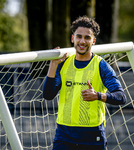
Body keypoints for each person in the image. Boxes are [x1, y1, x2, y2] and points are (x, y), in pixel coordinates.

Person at [43, 16, 126, 150]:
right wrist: (53, 65)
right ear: (72, 38)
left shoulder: (101, 66)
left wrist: (98, 96)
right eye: (79, 36)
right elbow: (48, 95)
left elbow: (121, 97)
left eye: (87, 38)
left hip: (92, 136)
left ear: (93, 41)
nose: (82, 41)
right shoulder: (63, 64)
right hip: (64, 135)